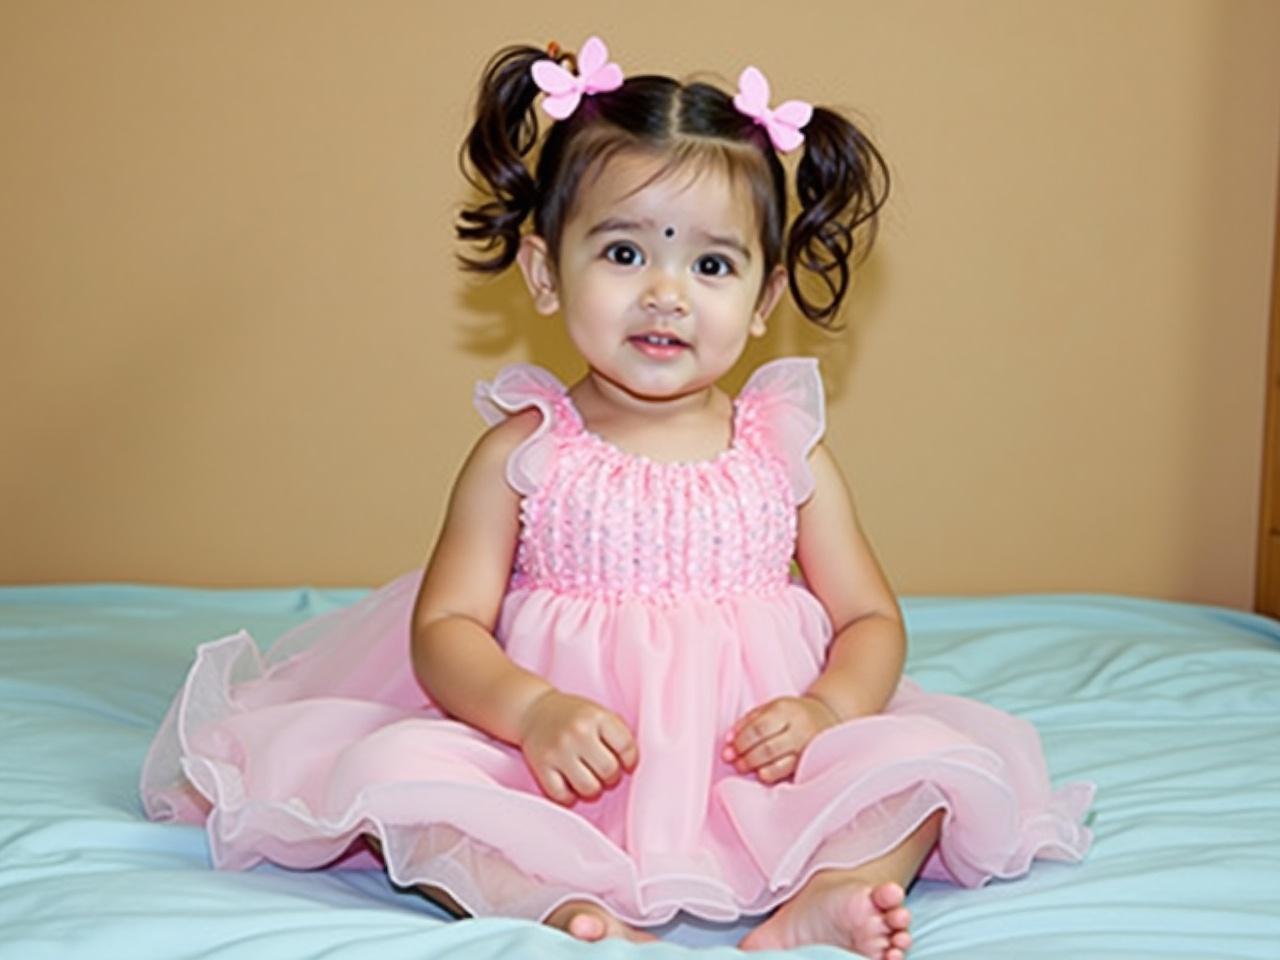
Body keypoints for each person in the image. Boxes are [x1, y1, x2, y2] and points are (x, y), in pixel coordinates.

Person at [141, 35, 1094, 959]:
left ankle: (831, 890)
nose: (667, 294)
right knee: (402, 787)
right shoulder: (525, 452)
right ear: (547, 272)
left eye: (712, 264)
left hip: (753, 768)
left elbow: (871, 619)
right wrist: (530, 712)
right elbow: (445, 630)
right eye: (625, 253)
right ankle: (555, 906)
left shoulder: (782, 450)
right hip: (554, 769)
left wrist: (829, 715)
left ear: (764, 301)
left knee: (929, 773)